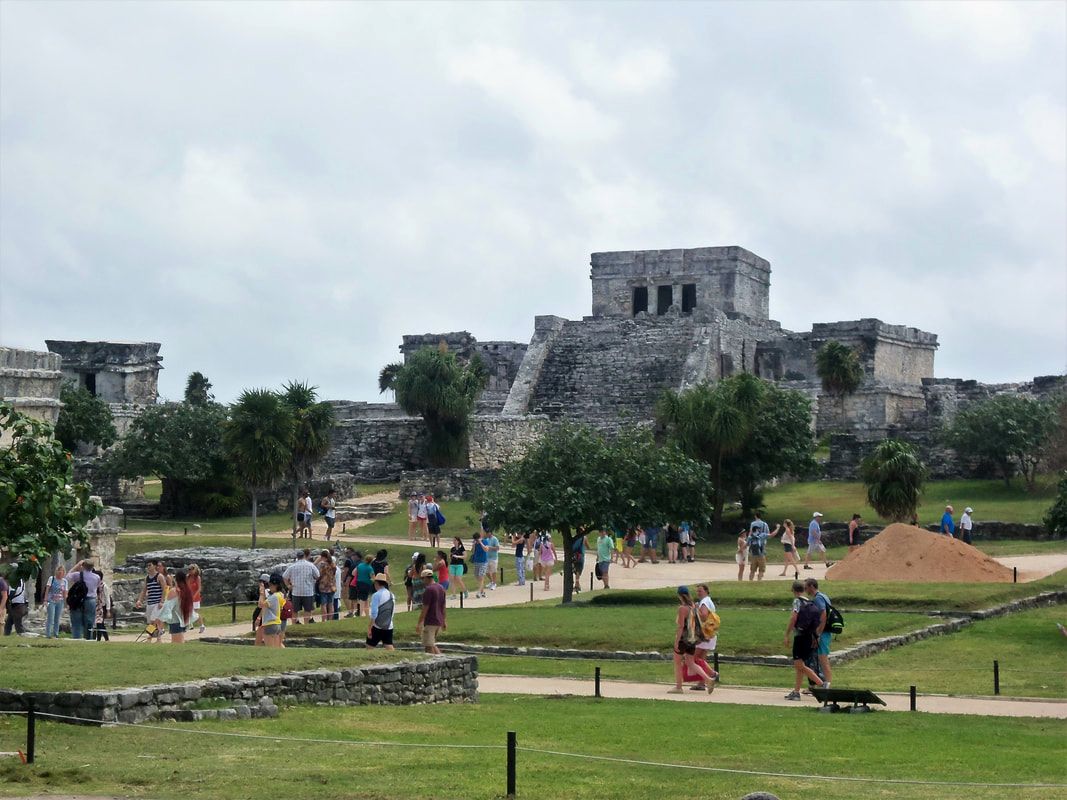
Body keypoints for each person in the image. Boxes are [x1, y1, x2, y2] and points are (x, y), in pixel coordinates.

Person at [668, 586, 716, 695]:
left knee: (677, 662)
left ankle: (678, 687)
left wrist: (676, 641)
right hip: (692, 638)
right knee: (690, 662)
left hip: (683, 638)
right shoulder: (693, 606)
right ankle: (708, 679)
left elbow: (680, 626)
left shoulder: (682, 608)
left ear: (679, 595)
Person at [783, 580, 826, 700]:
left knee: (799, 665)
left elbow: (794, 617)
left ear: (793, 590)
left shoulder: (797, 601)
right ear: (803, 590)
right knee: (800, 665)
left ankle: (822, 684)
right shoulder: (809, 602)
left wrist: (787, 634)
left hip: (800, 636)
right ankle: (796, 692)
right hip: (809, 636)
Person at [804, 578, 833, 691]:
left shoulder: (818, 599)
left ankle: (828, 686)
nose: (805, 590)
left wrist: (818, 632)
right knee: (818, 660)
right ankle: (818, 685)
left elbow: (824, 614)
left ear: (811, 586)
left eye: (806, 587)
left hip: (823, 632)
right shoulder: (823, 596)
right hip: (825, 631)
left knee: (823, 659)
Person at [692, 583, 720, 689]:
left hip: (703, 633)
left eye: (700, 591)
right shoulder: (709, 601)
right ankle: (701, 682)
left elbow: (703, 617)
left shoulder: (704, 602)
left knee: (694, 659)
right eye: (697, 591)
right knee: (701, 658)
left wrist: (695, 609)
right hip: (710, 633)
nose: (698, 593)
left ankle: (712, 674)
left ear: (706, 591)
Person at [282, 549, 320, 625]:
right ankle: (306, 624)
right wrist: (313, 580)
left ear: (297, 557)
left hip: (296, 591)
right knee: (307, 610)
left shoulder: (292, 566)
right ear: (304, 556)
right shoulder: (310, 565)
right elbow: (318, 575)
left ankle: (294, 624)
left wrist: (288, 585)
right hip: (308, 591)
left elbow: (284, 576)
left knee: (295, 610)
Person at [159, 569, 197, 644]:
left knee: (177, 643)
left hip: (176, 621)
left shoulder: (174, 591)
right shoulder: (187, 591)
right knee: (179, 641)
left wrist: (160, 618)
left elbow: (167, 607)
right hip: (183, 620)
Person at [66, 560, 101, 640]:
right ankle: (89, 638)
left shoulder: (77, 575)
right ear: (92, 567)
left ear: (83, 566)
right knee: (89, 622)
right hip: (91, 600)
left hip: (78, 600)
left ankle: (77, 638)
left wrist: (77, 566)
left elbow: (67, 576)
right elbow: (97, 586)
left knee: (76, 622)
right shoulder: (97, 577)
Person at [133, 560, 167, 642]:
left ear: (155, 566)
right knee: (150, 622)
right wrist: (139, 600)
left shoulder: (159, 576)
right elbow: (144, 590)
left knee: (156, 621)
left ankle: (158, 638)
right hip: (150, 602)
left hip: (157, 602)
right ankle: (150, 637)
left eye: (150, 565)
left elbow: (164, 589)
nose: (148, 567)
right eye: (147, 565)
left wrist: (162, 601)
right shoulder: (147, 578)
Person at [416, 568, 447, 655]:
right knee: (432, 644)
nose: (422, 581)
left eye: (423, 578)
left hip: (431, 621)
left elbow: (425, 609)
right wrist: (444, 620)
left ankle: (437, 663)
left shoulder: (429, 590)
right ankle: (441, 660)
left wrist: (419, 623)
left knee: (428, 646)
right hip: (439, 620)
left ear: (427, 578)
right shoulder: (441, 588)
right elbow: (443, 606)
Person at [366, 573, 395, 650]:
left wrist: (369, 627)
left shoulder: (376, 595)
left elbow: (374, 613)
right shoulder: (391, 595)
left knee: (369, 646)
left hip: (377, 626)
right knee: (388, 645)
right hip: (388, 625)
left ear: (376, 583)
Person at [747, 513, 779, 581]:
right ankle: (759, 581)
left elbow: (750, 534)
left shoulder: (752, 525)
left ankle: (750, 581)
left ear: (755, 516)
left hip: (753, 552)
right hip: (761, 551)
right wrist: (778, 528)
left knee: (752, 570)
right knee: (761, 570)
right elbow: (771, 535)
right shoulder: (764, 526)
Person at [258, 574, 284, 648]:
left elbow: (260, 604)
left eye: (270, 585)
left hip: (270, 623)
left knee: (270, 648)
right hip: (277, 623)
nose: (269, 587)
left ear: (274, 585)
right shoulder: (280, 595)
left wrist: (262, 593)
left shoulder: (274, 597)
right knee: (278, 646)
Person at [3, 569, 30, 636]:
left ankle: (23, 638)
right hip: (18, 605)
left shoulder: (15, 581)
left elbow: (12, 593)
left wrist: (6, 599)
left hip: (17, 606)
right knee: (8, 624)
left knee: (18, 626)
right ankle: (6, 637)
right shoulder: (21, 580)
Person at [45, 564, 67, 638]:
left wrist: (66, 603)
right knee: (50, 617)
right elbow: (47, 589)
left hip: (60, 601)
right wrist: (45, 600)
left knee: (57, 618)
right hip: (51, 600)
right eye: (59, 572)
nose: (60, 573)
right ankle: (48, 634)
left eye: (62, 572)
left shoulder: (65, 581)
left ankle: (56, 633)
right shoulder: (52, 579)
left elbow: (65, 592)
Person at [314, 550, 336, 623]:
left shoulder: (323, 564)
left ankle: (324, 620)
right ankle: (330, 619)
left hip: (323, 586)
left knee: (323, 604)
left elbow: (319, 574)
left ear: (323, 557)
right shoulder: (333, 564)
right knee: (331, 604)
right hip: (332, 585)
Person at [353, 553, 375, 618]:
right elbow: (373, 578)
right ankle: (360, 614)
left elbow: (353, 573)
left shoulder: (360, 565)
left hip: (358, 583)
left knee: (365, 599)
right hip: (366, 584)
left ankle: (367, 615)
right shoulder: (370, 568)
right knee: (363, 600)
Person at [186, 563, 206, 634]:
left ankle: (202, 625)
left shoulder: (197, 578)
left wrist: (194, 596)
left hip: (195, 598)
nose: (190, 571)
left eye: (191, 569)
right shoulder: (187, 577)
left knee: (195, 613)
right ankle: (189, 625)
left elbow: (199, 588)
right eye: (189, 569)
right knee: (187, 612)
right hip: (188, 597)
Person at [92, 568, 111, 642]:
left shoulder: (104, 586)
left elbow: (107, 598)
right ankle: (100, 638)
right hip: (95, 606)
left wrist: (108, 610)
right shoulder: (94, 586)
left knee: (100, 624)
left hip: (102, 607)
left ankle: (101, 638)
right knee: (97, 624)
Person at [470, 533, 489, 598]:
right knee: (477, 576)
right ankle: (482, 592)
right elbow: (472, 551)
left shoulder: (485, 541)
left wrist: (480, 543)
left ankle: (478, 593)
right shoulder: (475, 543)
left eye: (477, 539)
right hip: (476, 562)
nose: (476, 541)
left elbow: (486, 550)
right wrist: (474, 545)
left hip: (483, 562)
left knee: (481, 577)